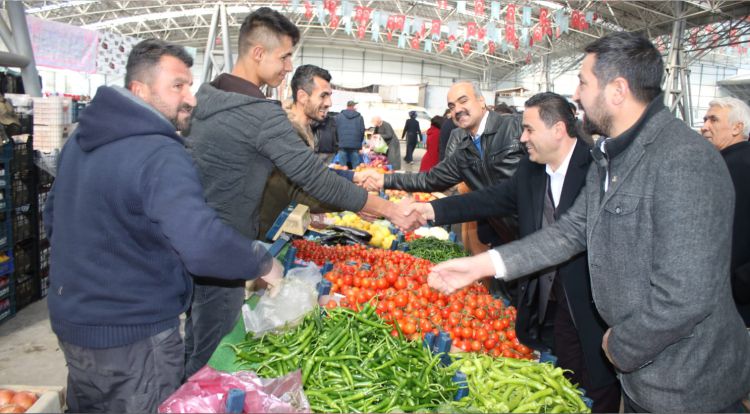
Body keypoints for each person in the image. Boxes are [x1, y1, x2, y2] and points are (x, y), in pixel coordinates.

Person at [427, 32, 750, 413]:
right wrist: (481, 265)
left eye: (583, 82)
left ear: (617, 89)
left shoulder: (684, 160)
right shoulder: (609, 156)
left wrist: (621, 345)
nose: (576, 95)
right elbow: (569, 232)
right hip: (643, 378)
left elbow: (686, 294)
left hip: (687, 381)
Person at [43, 39, 282, 413]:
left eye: (189, 85)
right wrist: (260, 262)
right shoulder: (159, 153)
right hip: (134, 336)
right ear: (140, 89)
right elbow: (202, 245)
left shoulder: (79, 141)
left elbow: (54, 218)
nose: (191, 98)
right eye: (177, 86)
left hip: (74, 326)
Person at [184, 7, 424, 378]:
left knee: (198, 336)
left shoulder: (208, 99)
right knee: (210, 354)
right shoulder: (259, 115)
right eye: (283, 57)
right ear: (257, 53)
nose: (287, 67)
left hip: (197, 242)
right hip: (225, 249)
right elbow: (312, 178)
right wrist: (385, 209)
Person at [412, 92, 620, 412]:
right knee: (563, 381)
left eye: (529, 129)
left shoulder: (598, 169)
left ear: (558, 129)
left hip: (589, 307)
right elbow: (489, 199)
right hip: (545, 300)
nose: (522, 138)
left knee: (596, 387)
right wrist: (430, 211)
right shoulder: (532, 169)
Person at [360, 81, 524, 247]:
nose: (457, 110)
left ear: (481, 101)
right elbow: (430, 179)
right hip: (505, 236)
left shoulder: (515, 128)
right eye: (452, 106)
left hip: (535, 229)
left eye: (463, 101)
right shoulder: (464, 149)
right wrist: (384, 180)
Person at [259, 64, 349, 237]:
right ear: (302, 96)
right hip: (266, 231)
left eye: (329, 96)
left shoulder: (306, 129)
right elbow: (293, 187)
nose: (329, 103)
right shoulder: (285, 132)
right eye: (323, 96)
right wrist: (357, 204)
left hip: (282, 224)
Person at [701, 97, 750, 326]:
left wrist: (741, 281)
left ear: (737, 127)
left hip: (736, 302)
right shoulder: (721, 164)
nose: (704, 126)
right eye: (704, 119)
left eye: (713, 119)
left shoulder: (738, 166)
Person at [335, 100, 365, 169]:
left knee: (342, 167)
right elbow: (362, 131)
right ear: (353, 106)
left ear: (347, 106)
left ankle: (342, 178)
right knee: (356, 168)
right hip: (355, 145)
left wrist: (337, 141)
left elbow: (335, 130)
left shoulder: (339, 116)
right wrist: (359, 142)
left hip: (342, 144)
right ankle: (356, 178)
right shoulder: (359, 117)